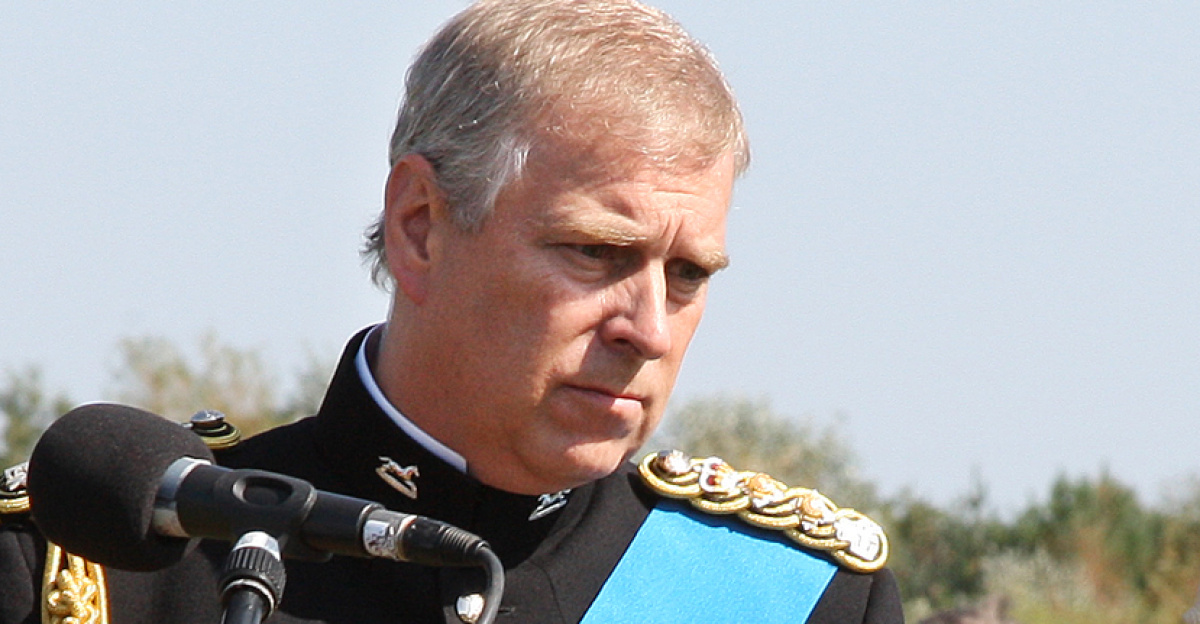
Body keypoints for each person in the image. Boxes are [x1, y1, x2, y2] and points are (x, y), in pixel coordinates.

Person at [0, 1, 904, 622]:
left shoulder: (790, 597)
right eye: (597, 253)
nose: (649, 329)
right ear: (421, 227)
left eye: (689, 276)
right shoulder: (99, 569)